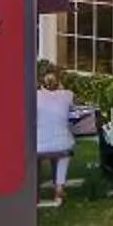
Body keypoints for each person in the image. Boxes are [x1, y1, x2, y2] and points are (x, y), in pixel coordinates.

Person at [33, 63, 78, 207]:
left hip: (38, 145)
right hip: (62, 144)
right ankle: (59, 186)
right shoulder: (68, 95)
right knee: (62, 154)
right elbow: (75, 110)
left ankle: (34, 192)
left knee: (36, 160)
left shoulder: (34, 96)